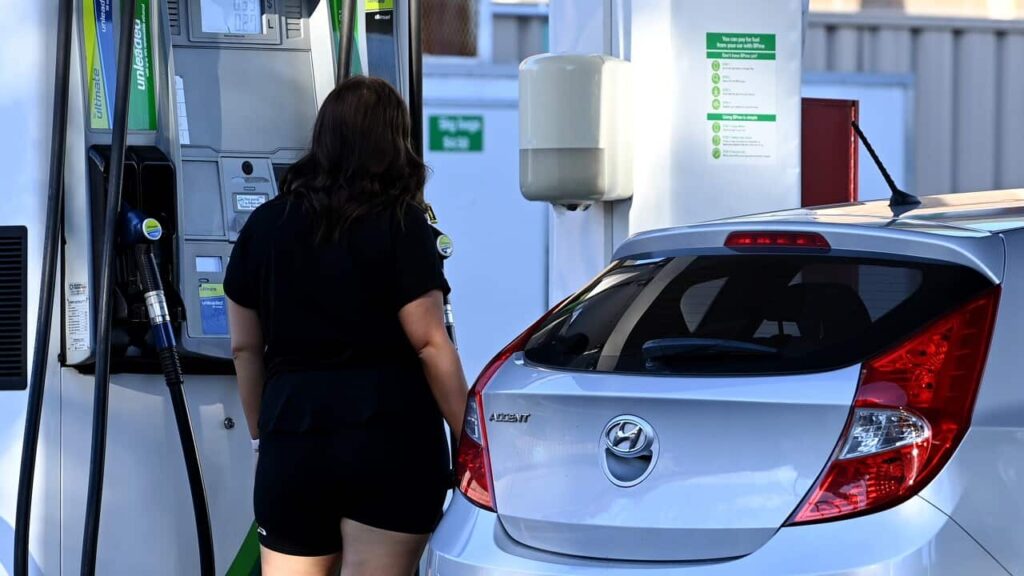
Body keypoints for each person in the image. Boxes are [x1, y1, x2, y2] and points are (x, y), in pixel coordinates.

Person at [224, 76, 468, 576]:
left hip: (293, 435)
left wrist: (261, 437)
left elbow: (244, 349)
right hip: (390, 437)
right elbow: (429, 342)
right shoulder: (403, 225)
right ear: (394, 144)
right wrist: (470, 438)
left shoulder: (264, 226)